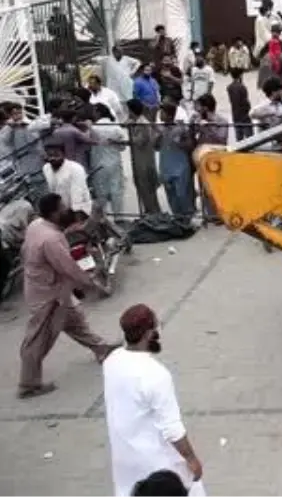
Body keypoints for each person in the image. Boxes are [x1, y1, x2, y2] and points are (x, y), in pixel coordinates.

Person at [17, 193, 119, 398]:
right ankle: (28, 385)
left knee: (74, 320)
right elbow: (69, 268)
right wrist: (92, 284)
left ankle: (100, 348)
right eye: (62, 207)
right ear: (54, 214)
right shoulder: (51, 239)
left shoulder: (37, 225)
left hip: (52, 289)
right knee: (37, 339)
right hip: (48, 296)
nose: (67, 209)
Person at [104, 304, 205, 497]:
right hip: (158, 462)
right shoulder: (155, 374)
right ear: (149, 333)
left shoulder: (112, 360)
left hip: (125, 456)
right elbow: (172, 428)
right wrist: (192, 459)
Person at [156, 103, 195, 219]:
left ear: (169, 115)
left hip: (180, 168)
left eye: (162, 113)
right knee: (171, 195)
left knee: (182, 194)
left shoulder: (181, 129)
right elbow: (156, 147)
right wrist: (157, 137)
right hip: (166, 167)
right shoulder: (161, 130)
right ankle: (177, 218)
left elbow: (190, 145)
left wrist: (180, 143)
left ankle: (187, 218)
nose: (160, 115)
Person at [89, 104, 128, 217]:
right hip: (114, 162)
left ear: (98, 112)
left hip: (98, 163)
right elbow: (123, 147)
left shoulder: (94, 128)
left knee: (101, 191)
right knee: (116, 190)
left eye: (94, 111)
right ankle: (119, 216)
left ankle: (103, 218)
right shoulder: (116, 127)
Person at [126, 100, 162, 216]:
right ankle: (149, 211)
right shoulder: (136, 122)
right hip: (139, 159)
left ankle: (153, 212)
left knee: (147, 187)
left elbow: (140, 141)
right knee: (141, 186)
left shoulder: (142, 123)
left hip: (144, 161)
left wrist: (125, 140)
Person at [42, 142, 92, 218]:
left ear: (64, 154)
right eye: (49, 155)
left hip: (80, 212)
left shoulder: (76, 168)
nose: (52, 158)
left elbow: (77, 197)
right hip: (59, 213)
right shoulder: (46, 168)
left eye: (56, 155)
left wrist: (77, 220)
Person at [227, 68, 253, 141]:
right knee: (250, 137)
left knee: (239, 137)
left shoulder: (229, 87)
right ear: (240, 75)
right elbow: (245, 101)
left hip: (235, 113)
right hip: (244, 114)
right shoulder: (242, 87)